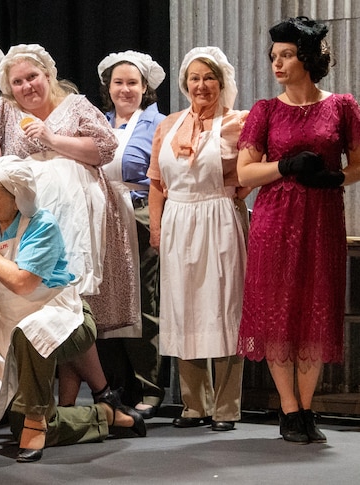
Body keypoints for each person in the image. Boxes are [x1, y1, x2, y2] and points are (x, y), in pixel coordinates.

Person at [0, 44, 140, 408]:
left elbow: (104, 149)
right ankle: (89, 399)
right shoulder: (6, 110)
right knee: (48, 300)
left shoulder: (76, 105)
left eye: (32, 77)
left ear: (48, 75)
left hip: (79, 217)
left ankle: (72, 403)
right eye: (17, 82)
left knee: (71, 300)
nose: (26, 86)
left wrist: (51, 139)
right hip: (34, 216)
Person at [0, 159, 144, 464]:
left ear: (17, 196)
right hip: (12, 325)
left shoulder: (41, 225)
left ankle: (36, 423)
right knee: (21, 427)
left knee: (30, 333)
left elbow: (23, 283)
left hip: (64, 315)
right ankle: (104, 415)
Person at [236, 16, 360, 444]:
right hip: (274, 221)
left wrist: (337, 179)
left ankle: (308, 410)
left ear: (307, 57)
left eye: (286, 55)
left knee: (316, 310)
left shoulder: (342, 106)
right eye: (273, 56)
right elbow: (245, 173)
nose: (277, 63)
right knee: (277, 314)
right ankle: (289, 410)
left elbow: (359, 163)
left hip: (322, 219)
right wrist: (285, 166)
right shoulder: (265, 111)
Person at [147, 46, 249, 432]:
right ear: (184, 83)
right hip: (177, 219)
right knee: (182, 306)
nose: (201, 85)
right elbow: (157, 184)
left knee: (223, 307)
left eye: (209, 78)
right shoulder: (169, 125)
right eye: (194, 78)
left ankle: (226, 406)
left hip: (218, 217)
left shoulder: (237, 122)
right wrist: (156, 227)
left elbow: (250, 172)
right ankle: (194, 404)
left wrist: (231, 198)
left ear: (221, 83)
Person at [93, 51, 167, 418]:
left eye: (132, 83)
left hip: (139, 211)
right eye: (118, 82)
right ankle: (114, 385)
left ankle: (150, 387)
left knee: (143, 299)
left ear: (145, 88)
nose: (125, 89)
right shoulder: (97, 121)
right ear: (109, 87)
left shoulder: (159, 124)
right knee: (107, 299)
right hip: (101, 214)